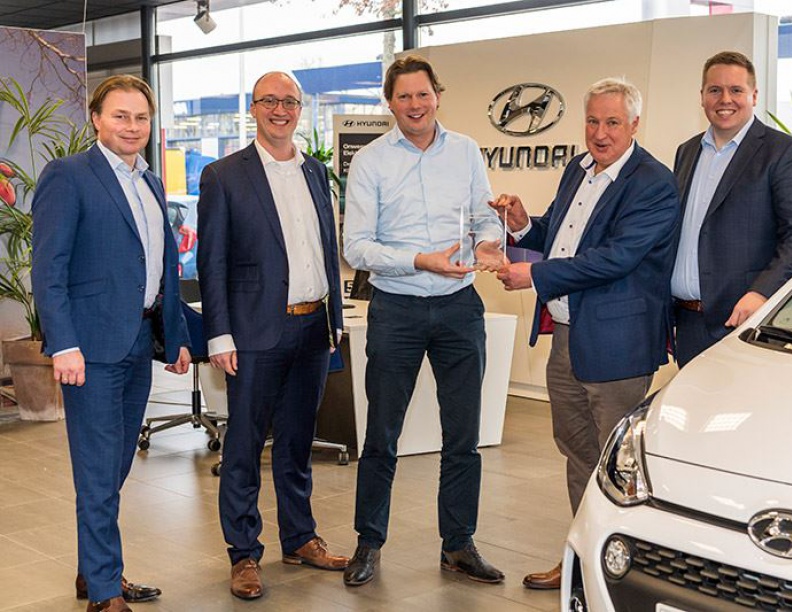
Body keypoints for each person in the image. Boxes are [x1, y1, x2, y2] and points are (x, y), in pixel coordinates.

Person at [491, 78, 680, 591]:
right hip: (566, 337)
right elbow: (559, 234)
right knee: (577, 453)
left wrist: (535, 275)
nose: (600, 133)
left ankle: (624, 573)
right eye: (593, 121)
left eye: (612, 122)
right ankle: (582, 558)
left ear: (634, 124)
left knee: (618, 464)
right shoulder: (578, 169)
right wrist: (523, 225)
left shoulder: (653, 183)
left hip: (617, 344)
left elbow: (614, 258)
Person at [342, 55, 505, 587]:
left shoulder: (466, 150)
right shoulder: (370, 161)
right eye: (404, 96)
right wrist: (419, 260)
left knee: (463, 436)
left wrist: (488, 241)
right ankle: (369, 542)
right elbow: (356, 246)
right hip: (397, 310)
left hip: (460, 307)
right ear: (390, 102)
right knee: (381, 436)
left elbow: (485, 216)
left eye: (423, 94)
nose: (415, 105)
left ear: (438, 95)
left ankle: (458, 544)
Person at [32, 75, 192, 612]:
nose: (132, 126)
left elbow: (162, 268)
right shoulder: (69, 175)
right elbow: (48, 269)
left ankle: (93, 570)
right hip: (91, 349)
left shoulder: (150, 182)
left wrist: (175, 337)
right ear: (96, 119)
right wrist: (63, 344)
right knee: (99, 471)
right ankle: (104, 593)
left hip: (138, 342)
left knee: (117, 465)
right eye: (120, 115)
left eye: (141, 117)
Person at [196, 71, 348, 600]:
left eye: (289, 102)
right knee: (243, 446)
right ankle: (243, 553)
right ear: (254, 109)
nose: (280, 110)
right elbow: (212, 262)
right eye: (269, 101)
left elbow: (326, 248)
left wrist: (334, 319)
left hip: (312, 327)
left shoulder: (315, 172)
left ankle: (300, 537)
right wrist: (219, 334)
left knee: (297, 442)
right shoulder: (223, 175)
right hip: (255, 331)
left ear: (300, 109)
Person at [671, 50, 792, 365]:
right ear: (702, 96)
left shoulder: (784, 152)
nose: (725, 99)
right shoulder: (686, 151)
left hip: (745, 322)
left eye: (736, 90)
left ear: (754, 95)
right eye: (715, 90)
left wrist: (761, 293)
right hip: (688, 323)